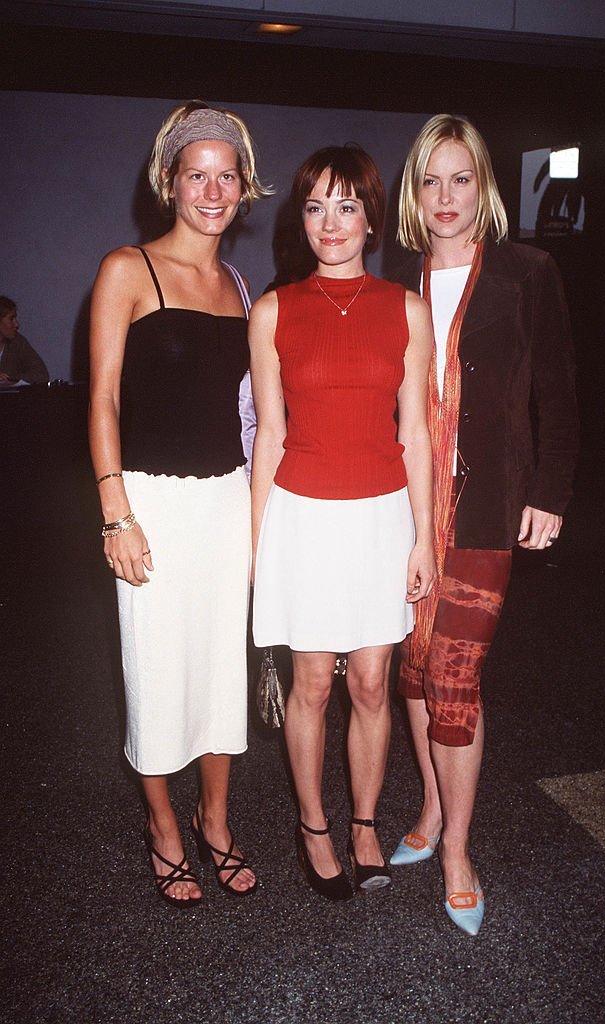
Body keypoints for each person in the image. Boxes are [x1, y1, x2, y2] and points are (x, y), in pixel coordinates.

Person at [389, 114, 579, 935]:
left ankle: (459, 850)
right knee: (410, 671)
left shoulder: (528, 272)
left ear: (485, 187)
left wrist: (552, 490)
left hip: (490, 504)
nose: (444, 196)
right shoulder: (395, 277)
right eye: (430, 180)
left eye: (460, 178)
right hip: (396, 504)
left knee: (454, 679)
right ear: (413, 191)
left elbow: (560, 391)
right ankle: (429, 809)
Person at [88, 100, 270, 906]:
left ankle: (216, 820)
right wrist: (115, 512)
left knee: (221, 670)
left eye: (226, 175)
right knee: (157, 667)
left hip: (226, 499)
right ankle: (163, 824)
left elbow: (251, 411)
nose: (212, 188)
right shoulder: (128, 268)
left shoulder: (237, 282)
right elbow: (100, 400)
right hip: (151, 503)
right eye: (196, 174)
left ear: (243, 188)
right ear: (170, 182)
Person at [250, 145, 435, 901]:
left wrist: (423, 535)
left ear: (371, 218)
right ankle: (313, 825)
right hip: (303, 516)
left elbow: (416, 430)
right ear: (303, 219)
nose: (331, 222)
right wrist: (257, 544)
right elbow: (267, 432)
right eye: (316, 206)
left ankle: (363, 823)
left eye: (347, 205)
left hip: (382, 516)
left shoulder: (405, 308)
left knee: (369, 683)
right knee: (311, 687)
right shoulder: (273, 309)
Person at [0, 296, 49, 383]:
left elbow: (42, 375)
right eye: (11, 319)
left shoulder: (17, 341)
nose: (17, 324)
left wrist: (9, 378)